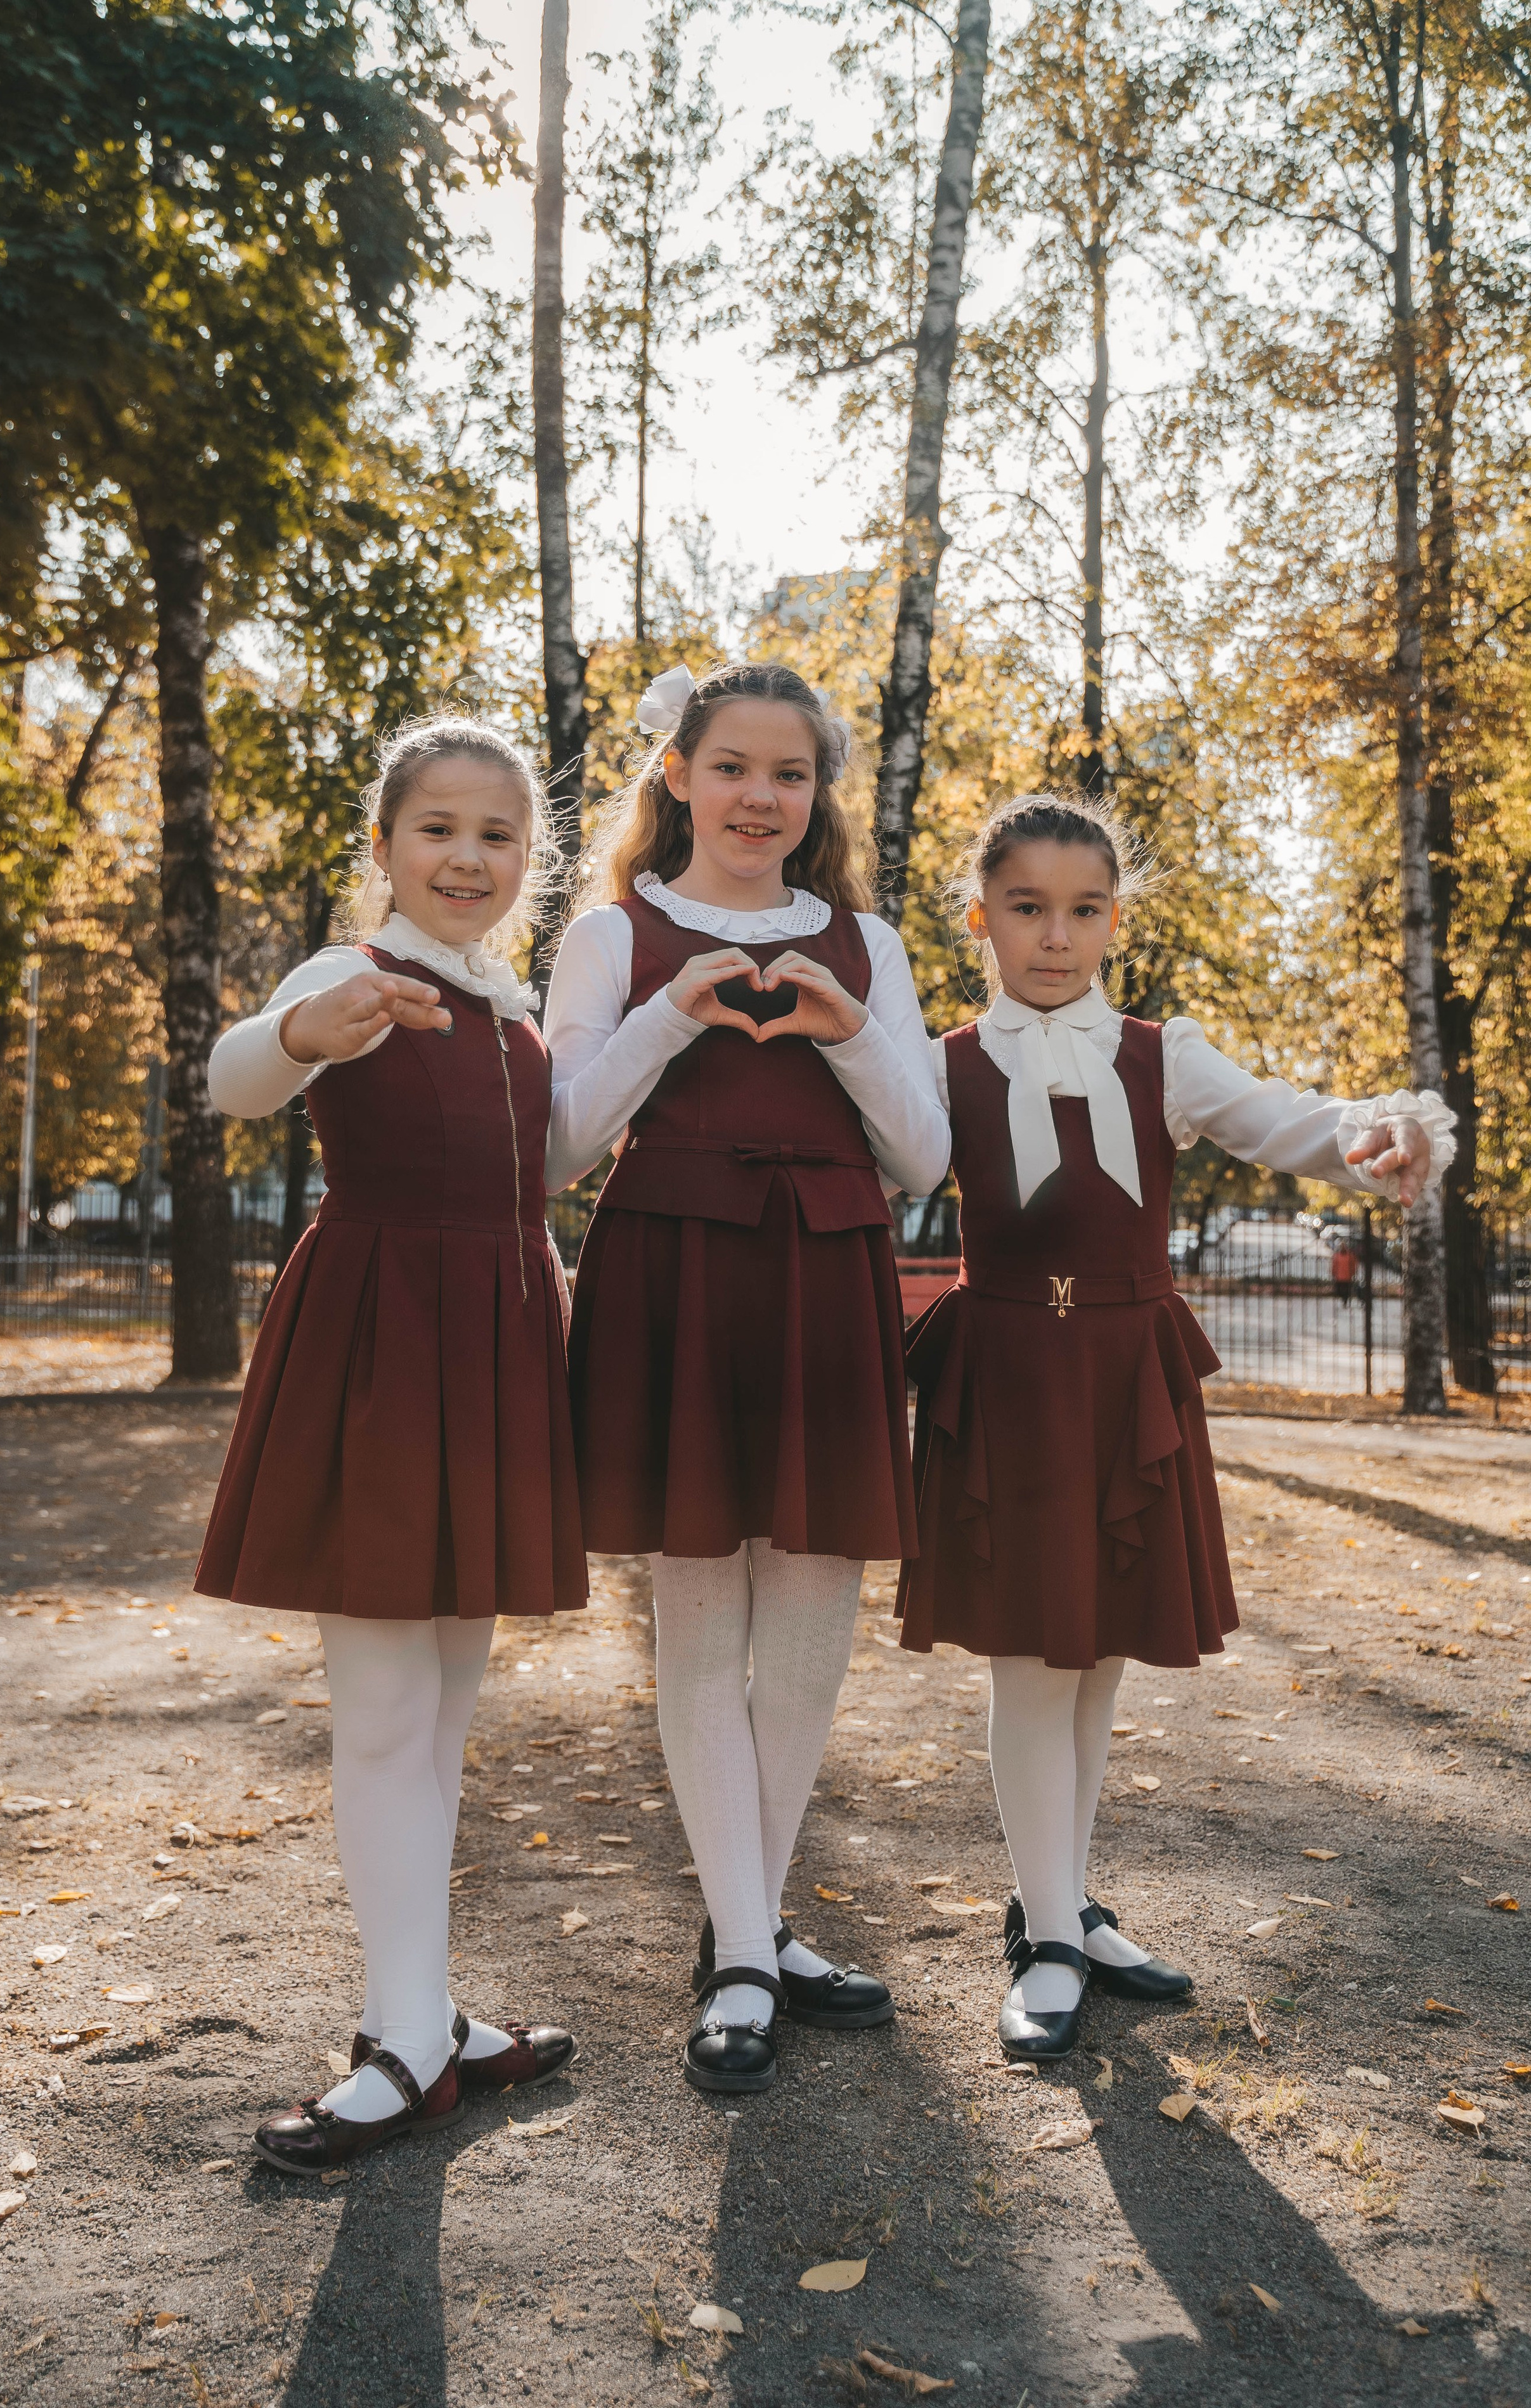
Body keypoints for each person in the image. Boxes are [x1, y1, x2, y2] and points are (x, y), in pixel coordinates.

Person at [898, 792, 1453, 2062]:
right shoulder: (941, 1064)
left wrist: (1374, 1131)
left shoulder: (1163, 1055)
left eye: (1083, 910)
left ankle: (1062, 1902)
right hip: (1008, 1377)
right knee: (1032, 1657)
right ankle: (1046, 1936)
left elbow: (1286, 1118)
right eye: (1027, 908)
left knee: (1095, 1652)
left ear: (1113, 921)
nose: (1055, 936)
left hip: (1123, 1374)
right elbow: (864, 1160)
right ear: (980, 918)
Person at [545, 659, 950, 2093]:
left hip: (825, 1275)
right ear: (677, 775)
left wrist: (850, 1033)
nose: (760, 796)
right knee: (703, 1627)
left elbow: (924, 1155)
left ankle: (747, 1930)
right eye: (731, 767)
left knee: (811, 1635)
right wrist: (671, 1013)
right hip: (680, 1275)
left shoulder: (866, 943)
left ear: (817, 791)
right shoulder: (612, 933)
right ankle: (744, 1955)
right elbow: (556, 1146)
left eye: (790, 772)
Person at [197, 716, 587, 2172]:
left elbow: (539, 1173)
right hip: (374, 1351)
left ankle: (418, 2014)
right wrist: (307, 1030)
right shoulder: (348, 972)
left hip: (492, 1356)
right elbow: (236, 1078)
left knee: (440, 1716)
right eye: (438, 829)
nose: (467, 857)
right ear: (384, 845)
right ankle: (408, 2041)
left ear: (528, 858)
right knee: (379, 1715)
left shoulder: (514, 1014)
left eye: (497, 835)